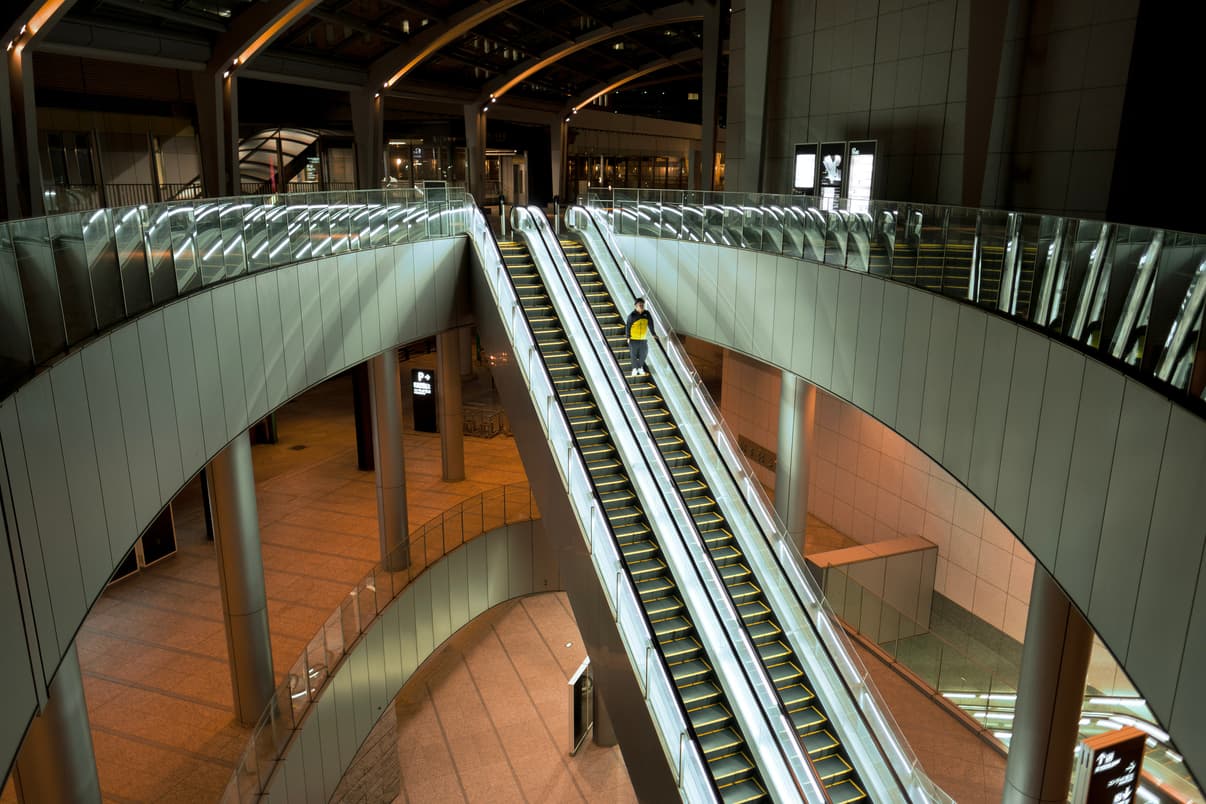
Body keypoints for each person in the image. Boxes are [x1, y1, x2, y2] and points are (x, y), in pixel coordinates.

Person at [626, 298, 655, 377]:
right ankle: (634, 369)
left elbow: (651, 324)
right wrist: (628, 337)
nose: (642, 306)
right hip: (633, 338)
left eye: (642, 305)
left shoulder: (647, 314)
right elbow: (628, 326)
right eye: (640, 305)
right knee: (634, 355)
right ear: (636, 306)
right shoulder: (632, 315)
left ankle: (640, 367)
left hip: (643, 338)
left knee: (644, 353)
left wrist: (653, 334)